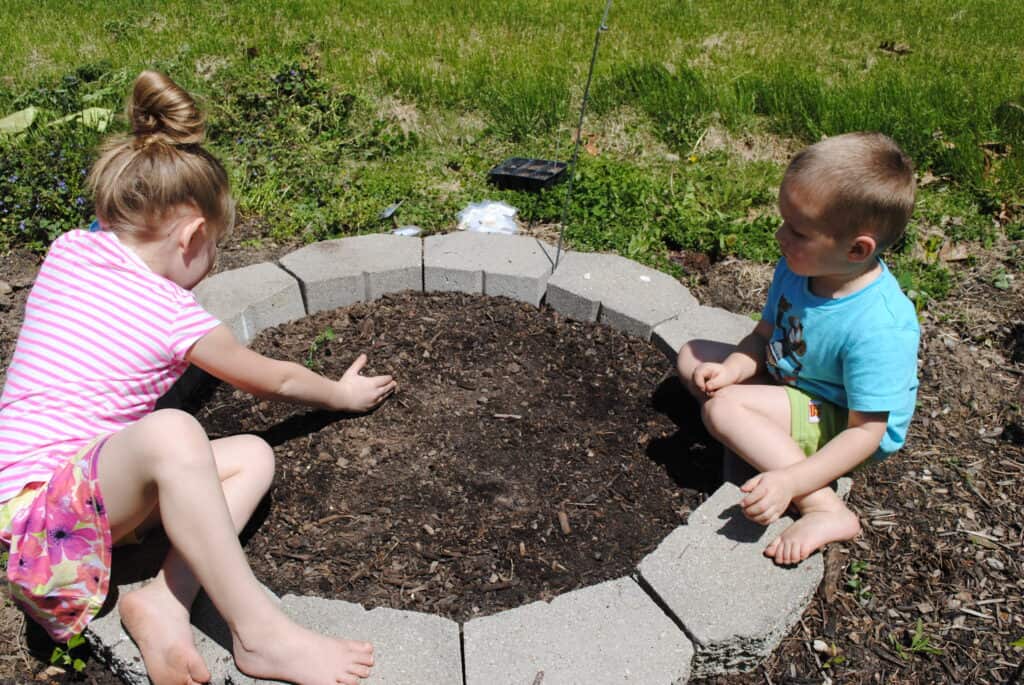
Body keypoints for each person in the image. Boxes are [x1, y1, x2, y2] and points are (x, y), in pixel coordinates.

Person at [0, 71, 397, 685]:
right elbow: (278, 381)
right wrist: (340, 394)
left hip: (77, 501)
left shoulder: (70, 250)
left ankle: (162, 601)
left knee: (252, 456)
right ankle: (261, 635)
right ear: (190, 236)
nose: (214, 264)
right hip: (38, 532)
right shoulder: (173, 316)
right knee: (172, 432)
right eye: (216, 248)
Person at [676, 131, 920, 566]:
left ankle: (824, 508)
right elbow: (763, 336)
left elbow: (868, 432)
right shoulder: (798, 270)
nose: (779, 235)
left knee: (721, 410)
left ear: (856, 248)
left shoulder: (879, 326)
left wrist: (790, 482)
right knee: (692, 355)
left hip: (840, 419)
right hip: (795, 381)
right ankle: (761, 439)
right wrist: (734, 366)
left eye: (798, 229)